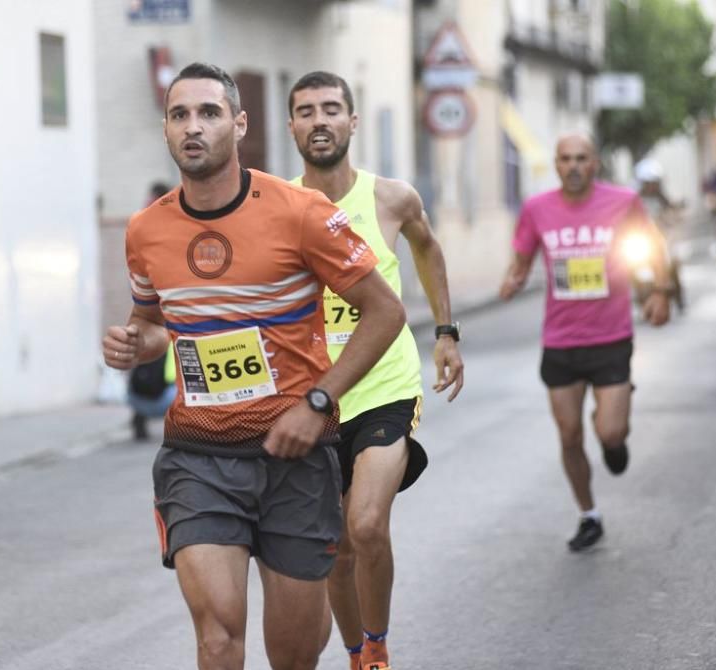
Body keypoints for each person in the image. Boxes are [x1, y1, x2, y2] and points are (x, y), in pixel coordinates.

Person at [102, 62, 407, 670]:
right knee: (218, 633)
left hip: (294, 458)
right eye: (180, 115)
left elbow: (385, 312)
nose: (194, 127)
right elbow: (157, 322)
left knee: (292, 653)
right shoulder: (146, 230)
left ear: (239, 124)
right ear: (165, 130)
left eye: (209, 113)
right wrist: (137, 344)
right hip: (199, 455)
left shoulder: (302, 213)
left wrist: (318, 403)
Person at [286, 71, 464, 670]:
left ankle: (378, 649)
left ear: (352, 122)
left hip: (385, 386)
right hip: (316, 393)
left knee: (365, 526)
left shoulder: (391, 198)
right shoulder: (280, 208)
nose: (319, 121)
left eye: (331, 109)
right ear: (291, 127)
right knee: (336, 546)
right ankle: (357, 650)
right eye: (306, 111)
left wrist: (445, 332)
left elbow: (427, 247)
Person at [499, 133, 670, 552]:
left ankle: (612, 432)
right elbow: (522, 257)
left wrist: (660, 290)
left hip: (611, 337)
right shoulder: (537, 208)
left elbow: (654, 246)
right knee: (570, 436)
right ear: (556, 165)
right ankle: (588, 514)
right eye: (565, 159)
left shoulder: (623, 201)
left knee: (611, 433)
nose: (573, 166)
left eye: (581, 158)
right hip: (560, 341)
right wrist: (513, 278)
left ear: (595, 163)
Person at [634, 158, 684, 310]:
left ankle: (679, 295)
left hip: (663, 239)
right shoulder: (634, 200)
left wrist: (670, 223)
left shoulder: (664, 200)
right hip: (641, 240)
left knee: (673, 261)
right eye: (647, 183)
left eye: (653, 183)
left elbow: (674, 217)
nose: (650, 186)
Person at [127, 344, 176, 440]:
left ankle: (139, 422)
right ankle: (176, 428)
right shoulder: (172, 345)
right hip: (163, 402)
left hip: (135, 401)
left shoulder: (143, 344)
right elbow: (171, 377)